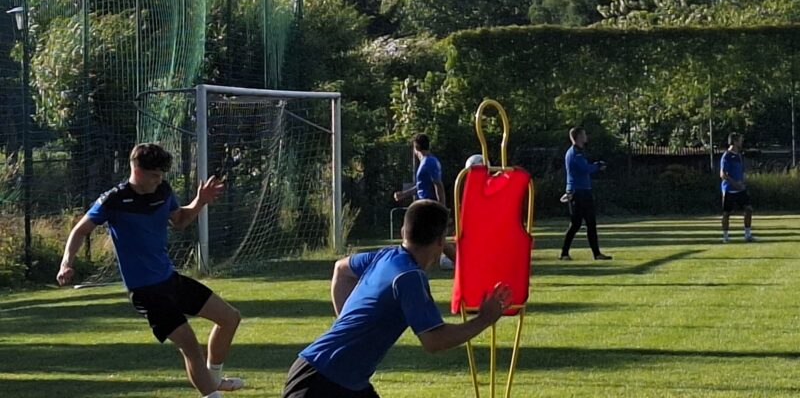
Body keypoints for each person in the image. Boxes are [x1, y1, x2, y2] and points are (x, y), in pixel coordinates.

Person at [57, 143, 244, 398]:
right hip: (146, 292)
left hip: (170, 280)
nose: (159, 181)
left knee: (230, 318)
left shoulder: (163, 191)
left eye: (161, 176)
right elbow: (80, 230)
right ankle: (212, 395)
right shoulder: (113, 200)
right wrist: (66, 262)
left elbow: (180, 220)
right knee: (190, 345)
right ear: (137, 170)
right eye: (154, 175)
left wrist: (200, 201)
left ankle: (213, 378)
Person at [281, 200, 511, 398]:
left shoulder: (386, 256)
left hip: (331, 376)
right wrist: (484, 319)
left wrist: (348, 324)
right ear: (440, 240)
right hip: (321, 384)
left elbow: (341, 269)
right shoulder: (409, 277)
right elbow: (434, 340)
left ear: (403, 232)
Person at [393, 134, 453, 269]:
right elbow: (421, 185)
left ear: (415, 148)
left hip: (427, 206)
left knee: (409, 232)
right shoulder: (427, 161)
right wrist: (404, 195)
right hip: (423, 204)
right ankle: (459, 260)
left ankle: (408, 263)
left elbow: (438, 185)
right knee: (433, 237)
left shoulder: (429, 162)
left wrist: (441, 208)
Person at [559, 126, 611, 260]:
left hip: (584, 191)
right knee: (575, 224)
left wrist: (596, 166)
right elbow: (584, 169)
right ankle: (564, 253)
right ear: (578, 137)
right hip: (577, 192)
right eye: (584, 134)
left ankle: (597, 254)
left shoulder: (579, 152)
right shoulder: (574, 153)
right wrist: (598, 166)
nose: (586, 136)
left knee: (591, 223)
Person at [720, 133, 755, 243]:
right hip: (729, 190)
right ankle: (725, 237)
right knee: (726, 213)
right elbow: (723, 174)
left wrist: (743, 182)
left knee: (748, 209)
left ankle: (747, 235)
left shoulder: (739, 155)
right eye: (740, 140)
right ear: (734, 142)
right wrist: (735, 184)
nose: (741, 142)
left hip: (741, 189)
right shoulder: (726, 156)